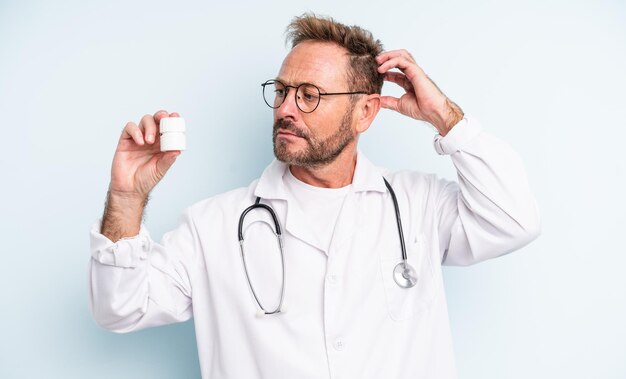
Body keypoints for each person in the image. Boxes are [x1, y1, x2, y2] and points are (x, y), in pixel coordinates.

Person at [89, 13, 540, 379]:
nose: (285, 109)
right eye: (282, 91)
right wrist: (127, 197)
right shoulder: (213, 227)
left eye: (309, 96)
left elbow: (515, 221)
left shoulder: (418, 205)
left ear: (364, 112)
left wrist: (446, 116)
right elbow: (119, 308)